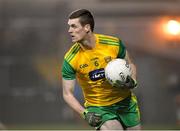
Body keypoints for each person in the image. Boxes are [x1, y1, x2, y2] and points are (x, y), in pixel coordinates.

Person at [61, 9, 141, 130]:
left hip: (126, 103)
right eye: (69, 26)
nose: (69, 30)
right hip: (100, 108)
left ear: (87, 27)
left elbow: (130, 64)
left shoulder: (113, 44)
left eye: (73, 26)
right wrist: (85, 113)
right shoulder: (70, 58)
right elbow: (67, 94)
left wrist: (133, 81)